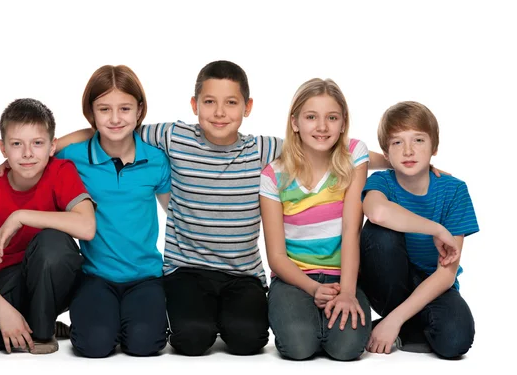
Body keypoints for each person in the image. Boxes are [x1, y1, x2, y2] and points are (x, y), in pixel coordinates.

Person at [53, 61, 398, 356]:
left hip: (242, 273)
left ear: (247, 107)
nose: (220, 113)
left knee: (248, 340)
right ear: (194, 104)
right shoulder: (173, 137)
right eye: (210, 102)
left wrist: (396, 162)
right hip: (186, 269)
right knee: (191, 338)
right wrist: (51, 147)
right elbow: (115, 128)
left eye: (231, 103)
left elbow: (323, 147)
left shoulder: (264, 149)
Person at [0, 65, 172, 358]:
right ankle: (37, 324)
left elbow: (175, 214)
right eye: (104, 109)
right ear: (91, 114)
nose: (116, 118)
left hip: (143, 275)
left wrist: (20, 214)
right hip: (93, 275)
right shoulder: (74, 156)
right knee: (92, 345)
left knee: (145, 344)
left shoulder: (154, 159)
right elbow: (41, 150)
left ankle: (125, 320)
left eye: (124, 108)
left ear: (139, 110)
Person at [0, 98, 96, 355]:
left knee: (52, 243)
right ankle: (33, 321)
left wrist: (21, 215)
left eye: (37, 143)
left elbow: (87, 226)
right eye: (17, 144)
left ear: (52, 146)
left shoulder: (61, 172)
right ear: (3, 148)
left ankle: (42, 333)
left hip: (58, 273)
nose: (27, 153)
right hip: (11, 278)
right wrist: (3, 311)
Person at [259, 78, 371, 361]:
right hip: (294, 279)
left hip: (343, 274)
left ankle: (336, 320)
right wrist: (313, 289)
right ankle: (309, 320)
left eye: (331, 118)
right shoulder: (274, 175)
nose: (322, 127)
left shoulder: (353, 155)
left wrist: (346, 292)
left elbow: (350, 229)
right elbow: (276, 256)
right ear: (295, 122)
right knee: (299, 347)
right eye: (311, 117)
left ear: (343, 123)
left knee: (346, 350)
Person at [359, 101, 479, 358]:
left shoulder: (454, 190)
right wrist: (436, 229)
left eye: (419, 140)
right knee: (379, 233)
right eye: (397, 143)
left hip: (432, 284)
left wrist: (394, 320)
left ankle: (394, 327)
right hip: (388, 283)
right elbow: (378, 212)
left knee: (456, 339)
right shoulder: (381, 181)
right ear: (386, 152)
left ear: (434, 147)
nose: (409, 150)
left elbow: (446, 274)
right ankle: (405, 326)